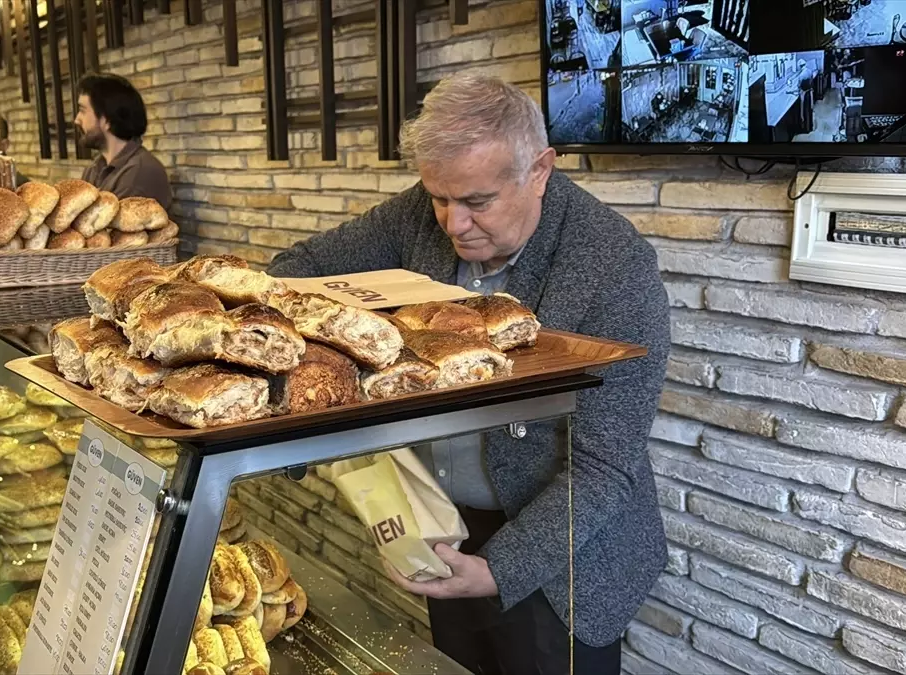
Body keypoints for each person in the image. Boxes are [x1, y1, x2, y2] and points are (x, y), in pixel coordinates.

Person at [266, 73, 670, 675]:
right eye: (438, 198)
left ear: (539, 171)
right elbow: (294, 272)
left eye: (478, 203)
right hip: (443, 526)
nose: (453, 225)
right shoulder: (427, 210)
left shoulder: (614, 264)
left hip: (564, 548)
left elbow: (606, 467)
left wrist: (499, 569)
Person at [74, 73, 172, 210]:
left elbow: (102, 228)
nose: (77, 120)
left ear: (107, 119)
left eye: (83, 111)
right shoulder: (94, 168)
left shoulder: (139, 173)